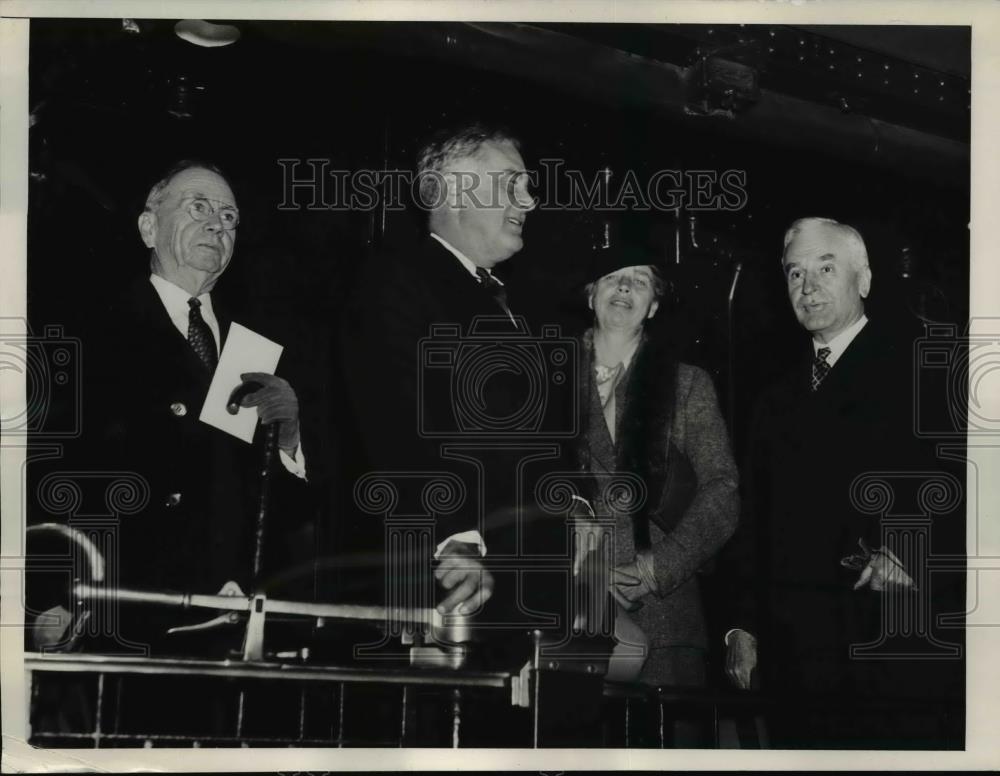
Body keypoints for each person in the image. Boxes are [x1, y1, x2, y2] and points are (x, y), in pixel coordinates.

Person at [27, 160, 312, 654]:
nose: (216, 224)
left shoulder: (261, 344)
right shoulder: (88, 329)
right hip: (123, 610)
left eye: (229, 217)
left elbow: (287, 513)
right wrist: (48, 597)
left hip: (235, 620)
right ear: (148, 227)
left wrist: (289, 439)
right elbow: (43, 467)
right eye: (198, 207)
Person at [722, 217, 963, 748]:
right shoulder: (773, 400)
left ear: (865, 280)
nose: (807, 287)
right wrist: (741, 626)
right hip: (795, 659)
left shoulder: (928, 369)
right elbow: (752, 520)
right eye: (794, 274)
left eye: (825, 268)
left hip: (891, 643)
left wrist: (915, 554)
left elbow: (975, 491)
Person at [340, 122, 558, 625]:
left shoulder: (511, 301)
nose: (528, 201)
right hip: (454, 576)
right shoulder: (395, 283)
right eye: (512, 184)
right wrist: (454, 537)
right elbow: (397, 421)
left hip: (527, 574)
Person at [574, 244, 739, 689]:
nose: (625, 285)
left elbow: (723, 492)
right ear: (591, 296)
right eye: (613, 276)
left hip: (663, 616)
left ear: (653, 307)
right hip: (566, 605)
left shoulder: (687, 383)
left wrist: (657, 569)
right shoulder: (546, 374)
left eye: (640, 280)